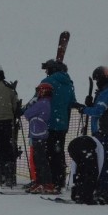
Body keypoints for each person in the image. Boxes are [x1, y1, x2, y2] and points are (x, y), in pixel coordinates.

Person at [77, 66, 108, 204]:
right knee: (103, 162)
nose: (96, 82)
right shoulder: (105, 91)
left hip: (103, 132)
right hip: (100, 132)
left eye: (97, 79)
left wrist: (84, 109)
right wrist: (91, 103)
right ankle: (106, 190)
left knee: (105, 162)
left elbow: (98, 111)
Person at [38, 58, 77, 191]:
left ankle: (48, 181)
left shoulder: (47, 82)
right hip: (63, 124)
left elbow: (38, 100)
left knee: (46, 153)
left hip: (47, 123)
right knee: (58, 152)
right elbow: (72, 102)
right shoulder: (69, 83)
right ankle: (59, 180)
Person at [22, 82, 54, 193]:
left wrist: (31, 106)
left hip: (37, 134)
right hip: (39, 133)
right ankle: (42, 182)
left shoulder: (42, 103)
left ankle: (44, 183)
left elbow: (27, 114)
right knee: (40, 159)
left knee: (40, 160)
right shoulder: (46, 102)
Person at [67, 134, 105, 205]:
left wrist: (73, 188)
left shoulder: (95, 142)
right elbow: (98, 167)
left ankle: (77, 194)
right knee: (92, 173)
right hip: (86, 146)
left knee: (80, 171)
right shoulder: (100, 148)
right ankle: (87, 197)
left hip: (72, 146)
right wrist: (96, 180)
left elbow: (74, 169)